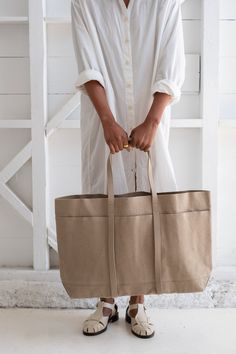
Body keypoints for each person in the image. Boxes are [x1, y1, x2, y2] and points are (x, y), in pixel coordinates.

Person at [71, 0, 185, 339]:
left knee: (145, 206)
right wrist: (107, 120)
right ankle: (106, 299)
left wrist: (152, 120)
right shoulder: (85, 3)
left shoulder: (165, 3)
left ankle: (138, 300)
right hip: (102, 120)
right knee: (103, 202)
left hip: (152, 120)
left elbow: (171, 60)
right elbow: (87, 63)